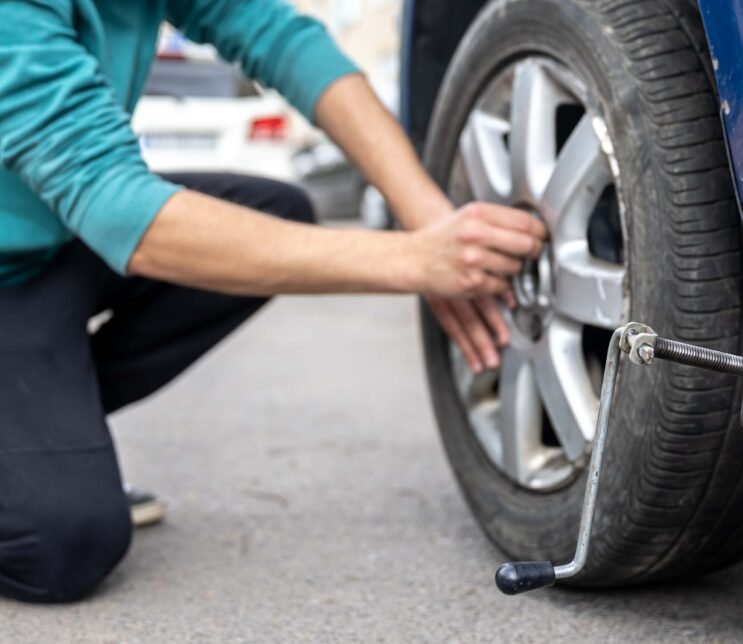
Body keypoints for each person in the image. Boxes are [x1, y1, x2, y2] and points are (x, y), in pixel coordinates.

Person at [0, 0, 546, 603]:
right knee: (65, 544)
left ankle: (38, 428)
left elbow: (284, 41)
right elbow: (118, 208)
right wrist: (415, 260)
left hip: (43, 248)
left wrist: (428, 217)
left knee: (278, 214)